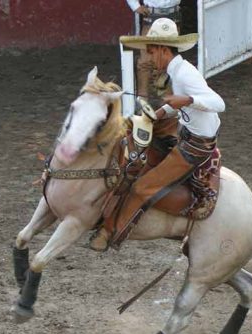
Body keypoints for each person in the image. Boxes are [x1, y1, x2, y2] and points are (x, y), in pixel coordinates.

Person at [91, 17, 225, 251]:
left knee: (142, 188)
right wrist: (159, 113)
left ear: (163, 50)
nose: (150, 59)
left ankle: (111, 233)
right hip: (187, 132)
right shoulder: (178, 71)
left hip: (195, 146)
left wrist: (187, 99)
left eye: (151, 52)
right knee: (137, 128)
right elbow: (177, 104)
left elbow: (218, 102)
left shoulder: (184, 74)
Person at [125, 0, 181, 98]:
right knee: (145, 61)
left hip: (173, 16)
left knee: (170, 61)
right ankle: (143, 101)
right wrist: (135, 6)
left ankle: (167, 102)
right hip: (151, 15)